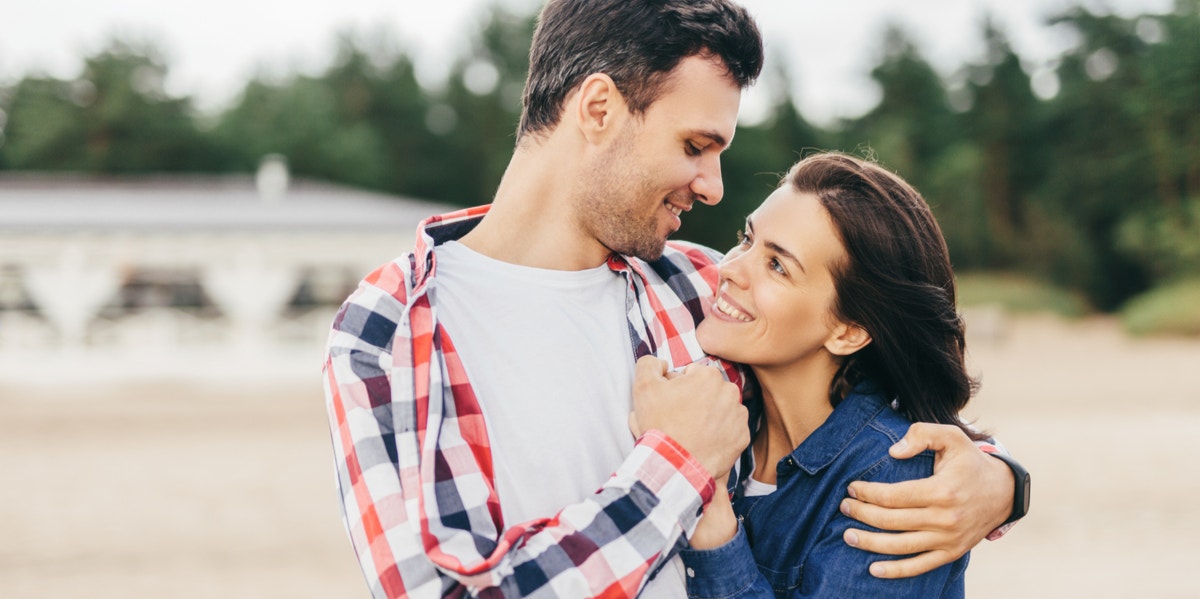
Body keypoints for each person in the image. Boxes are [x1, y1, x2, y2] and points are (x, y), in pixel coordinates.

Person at [322, 1, 1022, 597]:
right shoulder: (386, 330)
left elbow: (865, 398)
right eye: (695, 144)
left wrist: (999, 480)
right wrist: (676, 466)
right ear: (598, 108)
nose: (714, 186)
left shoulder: (695, 287)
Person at [647, 152, 1007, 597]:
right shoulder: (726, 407)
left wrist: (711, 502)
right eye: (747, 238)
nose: (728, 268)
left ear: (849, 331)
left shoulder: (892, 479)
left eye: (777, 265)